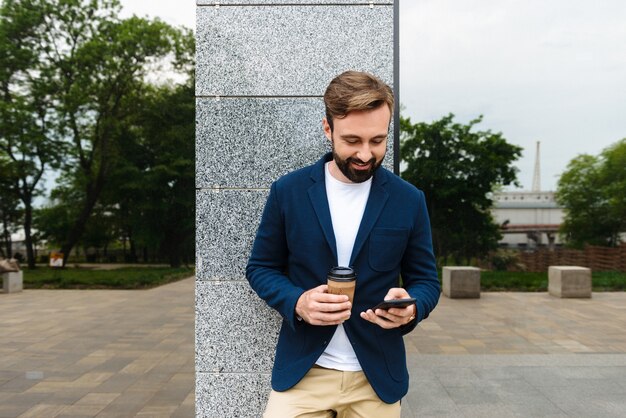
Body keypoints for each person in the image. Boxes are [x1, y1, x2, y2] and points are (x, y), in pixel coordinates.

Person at [246, 70, 440, 417]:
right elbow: (261, 267)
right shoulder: (288, 192)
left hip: (376, 379)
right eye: (353, 140)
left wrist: (412, 308)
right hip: (304, 374)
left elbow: (426, 281)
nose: (366, 154)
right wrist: (298, 301)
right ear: (327, 129)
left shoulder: (408, 200)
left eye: (378, 140)